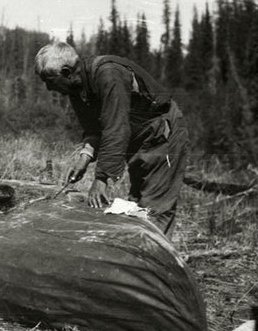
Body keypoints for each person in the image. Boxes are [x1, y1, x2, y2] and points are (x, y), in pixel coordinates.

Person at [34, 42, 188, 238]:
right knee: (137, 205)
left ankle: (157, 265)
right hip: (138, 140)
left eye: (49, 80)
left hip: (162, 136)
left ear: (66, 72)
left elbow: (116, 127)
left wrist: (102, 178)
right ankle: (140, 257)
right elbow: (93, 128)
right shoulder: (76, 89)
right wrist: (84, 158)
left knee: (155, 211)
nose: (48, 88)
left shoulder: (108, 74)